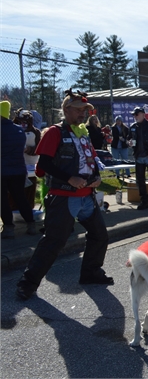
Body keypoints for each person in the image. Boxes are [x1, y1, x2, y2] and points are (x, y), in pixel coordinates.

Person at [16, 90, 114, 300]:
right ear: (66, 110)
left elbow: (92, 160)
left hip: (87, 196)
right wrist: (70, 179)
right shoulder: (54, 132)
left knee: (100, 236)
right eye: (79, 110)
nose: (83, 114)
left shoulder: (83, 132)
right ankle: (28, 283)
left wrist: (96, 176)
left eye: (85, 110)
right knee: (53, 241)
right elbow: (44, 164)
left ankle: (90, 273)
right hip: (63, 197)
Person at [1, 102, 39, 239]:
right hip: (19, 169)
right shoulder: (18, 131)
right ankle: (31, 224)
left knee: (3, 199)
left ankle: (9, 228)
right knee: (20, 197)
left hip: (2, 170)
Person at [14, 108, 42, 209]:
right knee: (15, 190)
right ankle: (13, 210)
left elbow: (40, 149)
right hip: (15, 166)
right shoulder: (13, 131)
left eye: (25, 122)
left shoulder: (36, 132)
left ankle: (29, 209)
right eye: (20, 122)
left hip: (31, 166)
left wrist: (29, 149)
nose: (23, 124)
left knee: (30, 190)